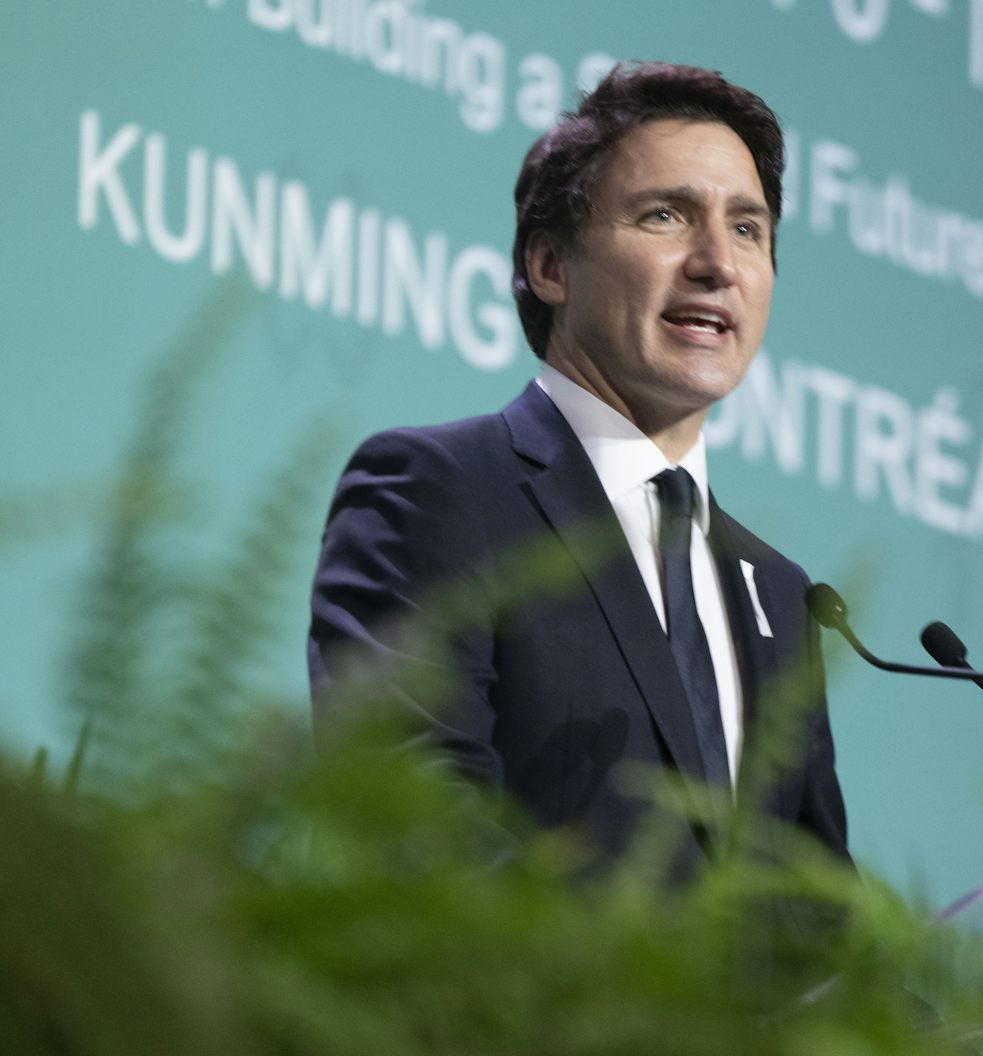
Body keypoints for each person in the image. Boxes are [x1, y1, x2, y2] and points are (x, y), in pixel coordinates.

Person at [308, 62, 849, 877]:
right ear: (551, 266)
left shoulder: (777, 592)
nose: (717, 263)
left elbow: (818, 911)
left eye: (748, 229)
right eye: (666, 215)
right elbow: (412, 819)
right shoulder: (438, 490)